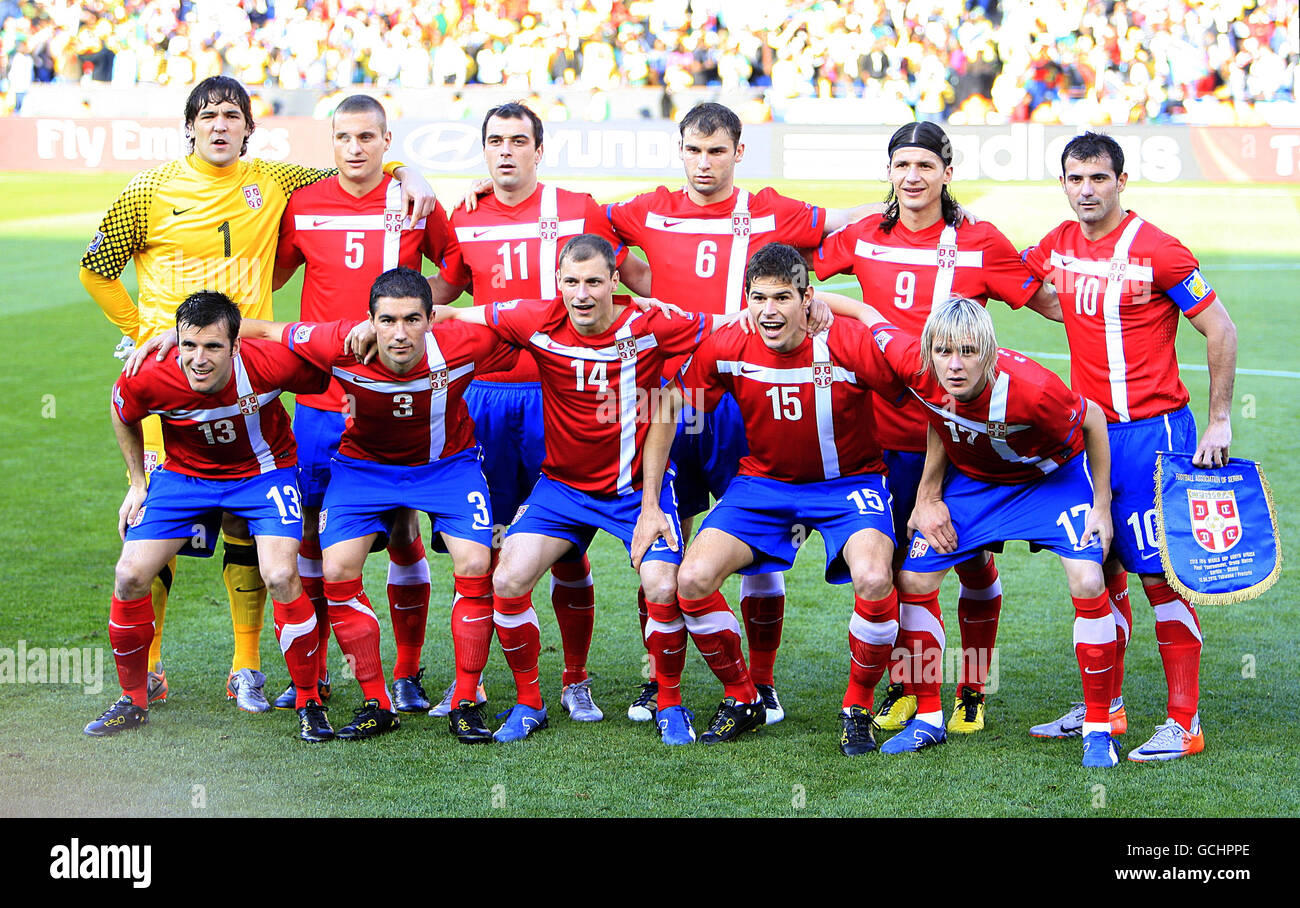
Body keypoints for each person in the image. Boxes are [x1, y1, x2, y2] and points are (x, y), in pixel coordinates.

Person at [79, 76, 435, 713]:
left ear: (249, 128)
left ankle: (246, 667)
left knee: (249, 514)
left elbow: (353, 165)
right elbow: (96, 267)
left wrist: (409, 169)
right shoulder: (148, 190)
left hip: (250, 367)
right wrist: (143, 333)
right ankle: (151, 670)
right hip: (176, 376)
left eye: (232, 116)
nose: (220, 126)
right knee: (160, 524)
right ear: (189, 126)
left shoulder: (273, 180)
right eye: (208, 116)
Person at [605, 101, 876, 724]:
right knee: (662, 545)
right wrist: (640, 278)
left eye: (717, 151)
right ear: (680, 151)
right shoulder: (649, 208)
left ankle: (762, 681)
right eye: (694, 151)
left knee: (758, 546)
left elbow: (846, 222)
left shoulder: (772, 209)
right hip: (671, 395)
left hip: (747, 396)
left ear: (738, 153)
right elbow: (590, 228)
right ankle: (658, 678)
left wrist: (919, 205)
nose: (704, 164)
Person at [431, 235, 739, 744]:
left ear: (615, 283)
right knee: (506, 578)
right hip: (560, 489)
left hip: (636, 489)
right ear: (558, 283)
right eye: (571, 282)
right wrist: (384, 324)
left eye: (595, 281)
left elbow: (732, 323)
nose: (582, 293)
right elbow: (455, 315)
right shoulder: (534, 318)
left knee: (663, 586)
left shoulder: (649, 325)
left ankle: (669, 701)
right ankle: (531, 702)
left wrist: (826, 312)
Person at [813, 121, 1062, 736]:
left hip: (960, 439)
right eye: (902, 166)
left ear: (948, 172)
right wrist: (855, 312)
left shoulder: (979, 240)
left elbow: (1051, 304)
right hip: (879, 434)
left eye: (926, 165)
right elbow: (804, 285)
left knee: (969, 562)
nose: (913, 177)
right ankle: (907, 683)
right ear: (890, 173)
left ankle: (973, 686)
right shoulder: (864, 235)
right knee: (896, 565)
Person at [423, 101, 652, 722]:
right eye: (495, 140)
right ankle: (469, 679)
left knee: (565, 546)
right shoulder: (462, 215)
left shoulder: (579, 209)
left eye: (518, 141)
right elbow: (439, 297)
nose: (505, 152)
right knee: (478, 546)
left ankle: (573, 678)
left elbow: (634, 279)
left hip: (559, 396)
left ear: (538, 149)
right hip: (482, 398)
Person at [1022, 131, 1237, 762]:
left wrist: (1220, 421)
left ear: (1121, 181)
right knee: (1099, 568)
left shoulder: (1159, 251)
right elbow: (1025, 286)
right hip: (1088, 435)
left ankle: (1183, 722)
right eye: (1074, 178)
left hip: (1154, 434)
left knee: (1158, 579)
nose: (1085, 190)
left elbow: (1219, 328)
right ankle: (1106, 710)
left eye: (1097, 178)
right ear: (1063, 184)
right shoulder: (1057, 244)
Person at [238, 267, 516, 742]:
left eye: (412, 320)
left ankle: (466, 699)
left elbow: (540, 324)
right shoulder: (338, 343)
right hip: (363, 470)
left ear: (433, 319)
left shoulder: (464, 344)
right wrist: (172, 335)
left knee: (475, 561)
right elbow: (261, 329)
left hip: (447, 467)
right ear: (369, 320)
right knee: (339, 569)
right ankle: (376, 702)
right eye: (387, 321)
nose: (399, 333)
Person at [858, 296, 1120, 767]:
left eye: (968, 351)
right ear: (927, 351)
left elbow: (1095, 419)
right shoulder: (920, 369)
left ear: (990, 351)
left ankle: (1100, 728)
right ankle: (930, 719)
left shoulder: (1034, 390)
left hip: (1049, 481)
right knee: (913, 579)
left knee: (1087, 579)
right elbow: (873, 323)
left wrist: (1101, 506)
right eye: (943, 351)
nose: (954, 365)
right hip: (977, 483)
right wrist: (928, 494)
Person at [269, 93, 457, 714]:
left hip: (398, 398)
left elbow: (455, 271)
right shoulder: (304, 203)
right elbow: (269, 277)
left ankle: (405, 673)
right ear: (332, 142)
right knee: (314, 538)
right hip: (322, 401)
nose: (355, 149)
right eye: (344, 138)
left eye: (367, 138)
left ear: (386, 140)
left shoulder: (413, 201)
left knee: (403, 530)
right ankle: (317, 667)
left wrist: (406, 316)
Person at [675, 243, 905, 752]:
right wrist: (652, 501)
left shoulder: (846, 340)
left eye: (783, 297)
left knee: (872, 576)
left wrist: (928, 490)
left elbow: (915, 397)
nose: (770, 311)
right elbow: (677, 406)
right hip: (763, 484)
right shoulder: (728, 342)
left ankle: (857, 705)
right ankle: (745, 696)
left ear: (808, 299)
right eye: (759, 298)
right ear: (745, 299)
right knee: (690, 578)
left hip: (851, 484)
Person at [84, 291, 333, 743]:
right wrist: (139, 483)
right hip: (183, 477)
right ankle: (134, 699)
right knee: (129, 574)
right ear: (175, 342)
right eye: (189, 345)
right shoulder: (150, 372)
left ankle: (308, 700)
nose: (199, 359)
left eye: (214, 347)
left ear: (236, 347)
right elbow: (122, 411)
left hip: (264, 475)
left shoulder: (268, 364)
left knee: (280, 574)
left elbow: (329, 366)